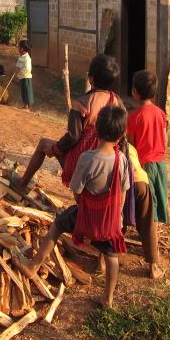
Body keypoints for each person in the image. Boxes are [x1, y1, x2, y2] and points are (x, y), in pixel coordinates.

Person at [17, 105, 130, 309]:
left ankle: (34, 265)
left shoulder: (87, 158)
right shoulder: (121, 159)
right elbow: (123, 191)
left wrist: (84, 208)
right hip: (111, 222)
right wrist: (117, 216)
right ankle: (108, 298)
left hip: (86, 216)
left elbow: (77, 189)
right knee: (113, 256)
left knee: (57, 225)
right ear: (122, 134)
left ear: (95, 130)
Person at [11, 53, 123, 194]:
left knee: (43, 144)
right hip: (108, 164)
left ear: (91, 78)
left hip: (82, 162)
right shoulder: (118, 103)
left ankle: (22, 184)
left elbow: (73, 136)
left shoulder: (82, 103)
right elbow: (123, 136)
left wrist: (56, 149)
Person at [126, 70, 167, 279]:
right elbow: (165, 140)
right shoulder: (160, 113)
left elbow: (131, 147)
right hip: (160, 166)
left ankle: (153, 262)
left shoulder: (133, 117)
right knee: (156, 206)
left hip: (143, 167)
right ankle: (154, 241)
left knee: (146, 210)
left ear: (135, 92)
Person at [15, 40, 33, 110]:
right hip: (22, 77)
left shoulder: (27, 58)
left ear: (22, 49)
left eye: (18, 47)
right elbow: (18, 64)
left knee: (27, 91)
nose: (18, 48)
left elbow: (28, 68)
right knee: (23, 91)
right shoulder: (21, 56)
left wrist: (20, 71)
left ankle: (29, 107)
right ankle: (25, 105)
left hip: (26, 77)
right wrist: (17, 69)